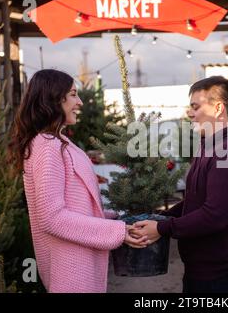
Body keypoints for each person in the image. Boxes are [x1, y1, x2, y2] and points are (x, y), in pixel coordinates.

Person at [8, 69, 147, 293]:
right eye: (73, 94)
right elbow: (51, 217)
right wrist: (117, 232)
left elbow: (77, 206)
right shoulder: (47, 146)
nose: (80, 102)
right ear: (54, 99)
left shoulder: (58, 142)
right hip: (70, 271)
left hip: (78, 264)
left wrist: (117, 219)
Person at [133, 76, 228, 293]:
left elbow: (214, 216)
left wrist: (162, 229)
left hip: (220, 281)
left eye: (196, 107)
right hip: (201, 274)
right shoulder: (210, 147)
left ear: (218, 108)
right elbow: (195, 201)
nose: (190, 113)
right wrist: (159, 218)